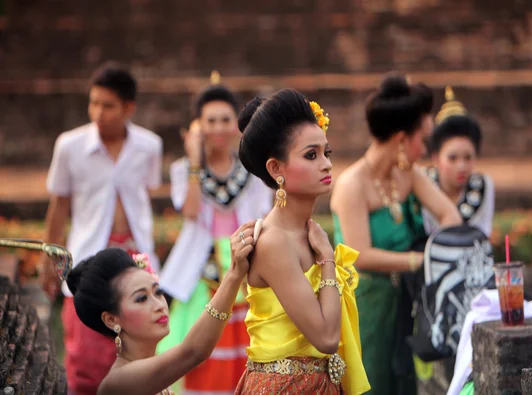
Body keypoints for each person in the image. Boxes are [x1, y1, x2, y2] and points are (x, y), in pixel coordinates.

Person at [330, 74, 461, 395]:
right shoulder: (352, 185)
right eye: (424, 139)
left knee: (404, 382)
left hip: (404, 302)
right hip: (365, 308)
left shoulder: (408, 174)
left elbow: (450, 214)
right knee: (372, 383)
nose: (426, 148)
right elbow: (360, 255)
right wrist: (421, 260)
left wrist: (439, 251)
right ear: (403, 140)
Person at [233, 90, 370, 394]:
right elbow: (325, 338)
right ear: (275, 169)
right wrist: (329, 263)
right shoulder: (274, 242)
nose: (326, 165)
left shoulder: (308, 234)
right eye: (311, 155)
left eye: (326, 153)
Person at [39, 62, 163, 395]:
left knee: (141, 354)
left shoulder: (149, 146)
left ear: (129, 108)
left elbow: (145, 198)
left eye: (108, 105)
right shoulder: (70, 146)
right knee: (85, 359)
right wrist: (47, 262)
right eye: (93, 103)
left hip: (135, 258)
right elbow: (59, 206)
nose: (98, 112)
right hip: (86, 263)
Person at [158, 72, 272, 394]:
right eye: (210, 120)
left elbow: (264, 215)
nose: (218, 127)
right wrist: (195, 159)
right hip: (201, 272)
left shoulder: (251, 169)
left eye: (226, 119)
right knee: (200, 352)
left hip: (247, 264)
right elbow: (191, 210)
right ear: (197, 126)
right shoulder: (184, 169)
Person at [65, 220, 258, 395]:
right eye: (141, 299)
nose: (158, 305)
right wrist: (233, 274)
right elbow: (193, 352)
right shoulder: (119, 383)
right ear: (111, 319)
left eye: (157, 293)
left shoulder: (153, 370)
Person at [422, 86, 495, 237]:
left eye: (468, 157)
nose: (461, 166)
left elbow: (483, 235)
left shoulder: (483, 186)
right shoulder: (423, 183)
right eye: (452, 158)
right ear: (436, 158)